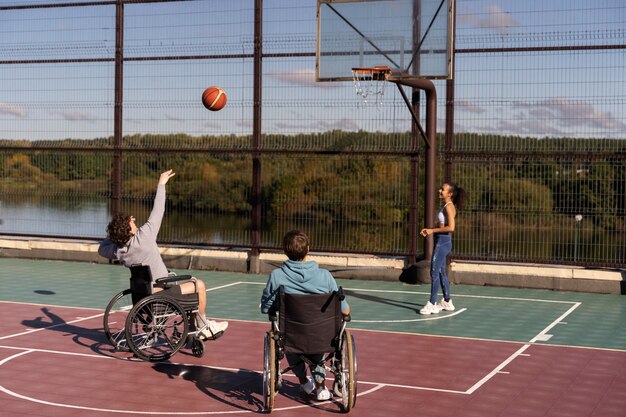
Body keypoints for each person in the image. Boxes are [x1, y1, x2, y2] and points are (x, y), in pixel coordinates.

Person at [98, 169, 228, 339]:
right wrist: (161, 184)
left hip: (143, 297)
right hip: (161, 294)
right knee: (199, 284)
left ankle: (192, 327)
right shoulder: (145, 236)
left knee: (183, 285)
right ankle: (204, 326)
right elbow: (158, 210)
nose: (134, 220)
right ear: (129, 230)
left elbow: (101, 248)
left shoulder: (119, 251)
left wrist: (116, 233)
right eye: (131, 221)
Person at [260, 230, 350, 402]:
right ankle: (321, 386)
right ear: (308, 249)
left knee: (289, 339)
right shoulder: (325, 276)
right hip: (320, 336)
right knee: (316, 338)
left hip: (292, 334)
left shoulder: (277, 276)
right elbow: (344, 310)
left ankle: (303, 381)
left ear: (285, 251)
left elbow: (266, 308)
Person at [419, 183, 466, 315]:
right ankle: (447, 301)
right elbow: (443, 224)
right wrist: (431, 230)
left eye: (443, 190)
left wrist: (431, 230)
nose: (439, 191)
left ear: (449, 194)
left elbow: (451, 228)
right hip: (441, 242)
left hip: (443, 244)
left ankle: (432, 303)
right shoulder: (445, 206)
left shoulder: (449, 207)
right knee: (440, 272)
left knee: (434, 272)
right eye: (440, 188)